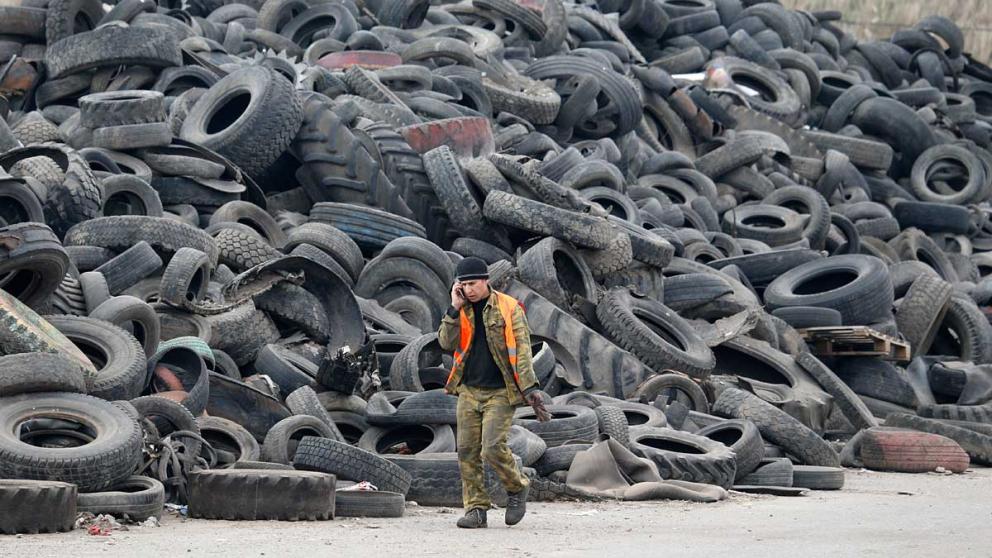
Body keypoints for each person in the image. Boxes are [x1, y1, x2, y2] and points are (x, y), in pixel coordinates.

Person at [437, 256, 550, 529]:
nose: (469, 289)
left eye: (473, 283)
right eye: (463, 285)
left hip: (501, 391)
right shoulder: (460, 309)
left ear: (486, 281)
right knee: (466, 451)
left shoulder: (509, 308)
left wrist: (530, 387)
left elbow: (522, 349)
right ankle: (476, 509)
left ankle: (517, 486)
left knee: (491, 447)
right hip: (469, 390)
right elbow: (444, 342)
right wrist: (454, 309)